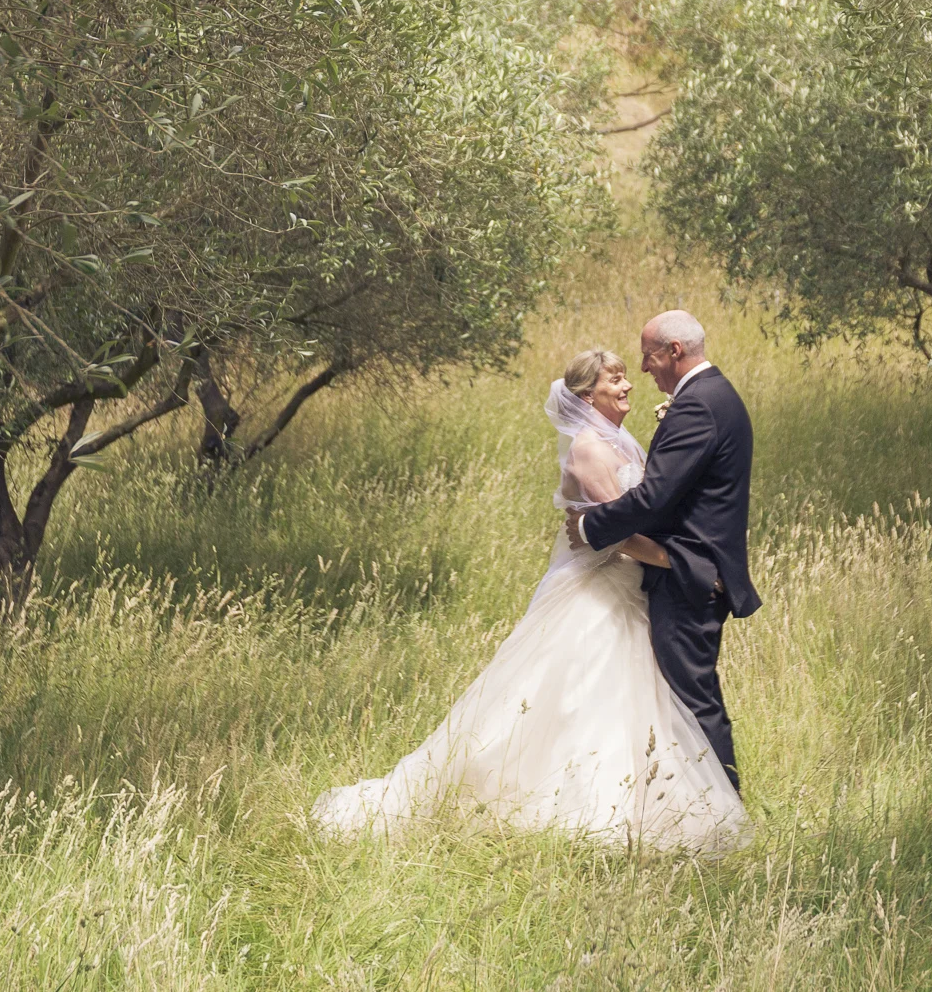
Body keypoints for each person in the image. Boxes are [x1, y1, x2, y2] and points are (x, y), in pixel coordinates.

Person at [311, 344, 746, 852]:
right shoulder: (589, 448)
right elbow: (620, 533)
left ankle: (655, 802)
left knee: (634, 698)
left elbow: (650, 503)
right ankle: (578, 806)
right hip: (599, 590)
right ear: (588, 395)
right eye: (615, 381)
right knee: (581, 694)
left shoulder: (622, 439)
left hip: (630, 587)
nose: (628, 385)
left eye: (627, 377)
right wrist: (685, 564)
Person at [566, 310, 759, 792]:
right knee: (681, 697)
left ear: (673, 351)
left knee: (693, 701)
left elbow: (654, 498)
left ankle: (723, 810)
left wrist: (591, 527)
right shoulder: (711, 396)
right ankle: (693, 802)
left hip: (689, 575)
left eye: (648, 358)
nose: (644, 370)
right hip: (678, 569)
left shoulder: (698, 405)